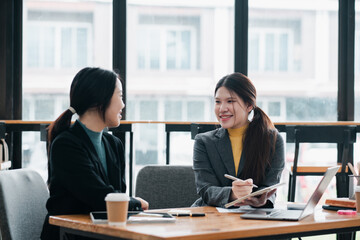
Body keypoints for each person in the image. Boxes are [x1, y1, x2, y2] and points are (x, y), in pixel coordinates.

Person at [41, 67, 148, 240]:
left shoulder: (114, 144)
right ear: (100, 100)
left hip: (104, 234)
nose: (123, 104)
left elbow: (117, 196)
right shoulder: (66, 145)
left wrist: (129, 204)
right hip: (70, 235)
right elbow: (99, 197)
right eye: (120, 96)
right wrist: (135, 203)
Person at [192, 72, 284, 208]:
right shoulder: (204, 142)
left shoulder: (272, 140)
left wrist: (260, 199)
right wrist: (233, 194)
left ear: (249, 105)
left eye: (230, 101)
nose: (222, 109)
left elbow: (270, 186)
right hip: (211, 216)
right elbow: (205, 190)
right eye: (218, 102)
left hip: (253, 215)